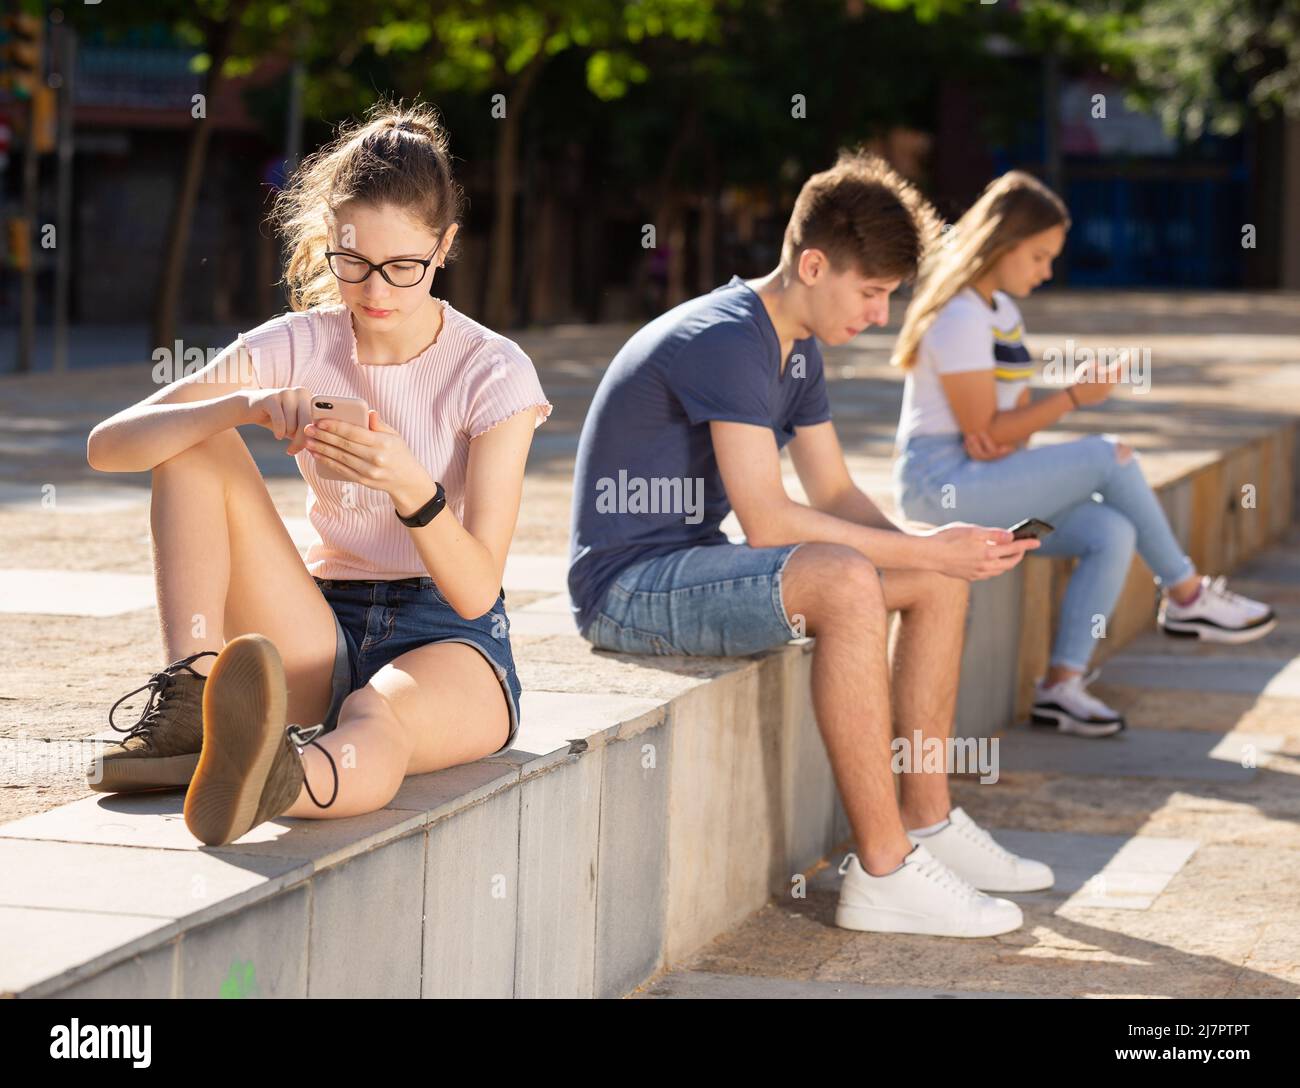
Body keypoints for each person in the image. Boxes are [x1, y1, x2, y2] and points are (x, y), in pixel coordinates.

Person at [568, 149, 1048, 939]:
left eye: (889, 295)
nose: (881, 315)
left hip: (691, 562)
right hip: (628, 588)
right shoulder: (728, 337)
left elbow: (834, 494)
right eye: (871, 292)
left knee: (934, 581)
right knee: (847, 580)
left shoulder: (796, 347)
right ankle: (885, 872)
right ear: (814, 264)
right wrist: (923, 549)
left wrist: (941, 549)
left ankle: (926, 822)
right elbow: (771, 521)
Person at [85, 101, 552, 846]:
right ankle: (191, 700)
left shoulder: (492, 369)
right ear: (329, 243)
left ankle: (279, 783)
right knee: (196, 441)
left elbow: (475, 588)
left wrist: (412, 488)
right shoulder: (302, 340)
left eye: (404, 267)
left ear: (445, 246)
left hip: (448, 642)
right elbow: (109, 446)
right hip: (318, 622)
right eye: (353, 264)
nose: (375, 293)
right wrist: (242, 403)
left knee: (379, 716)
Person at [891, 170, 1275, 738]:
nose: (1047, 272)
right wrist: (1072, 398)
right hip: (938, 481)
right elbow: (987, 427)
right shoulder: (960, 316)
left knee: (1111, 530)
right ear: (1003, 243)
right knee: (1106, 454)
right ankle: (1187, 593)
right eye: (1039, 256)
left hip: (981, 472)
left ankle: (1061, 688)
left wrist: (1011, 433)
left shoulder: (1002, 313)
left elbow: (1004, 436)